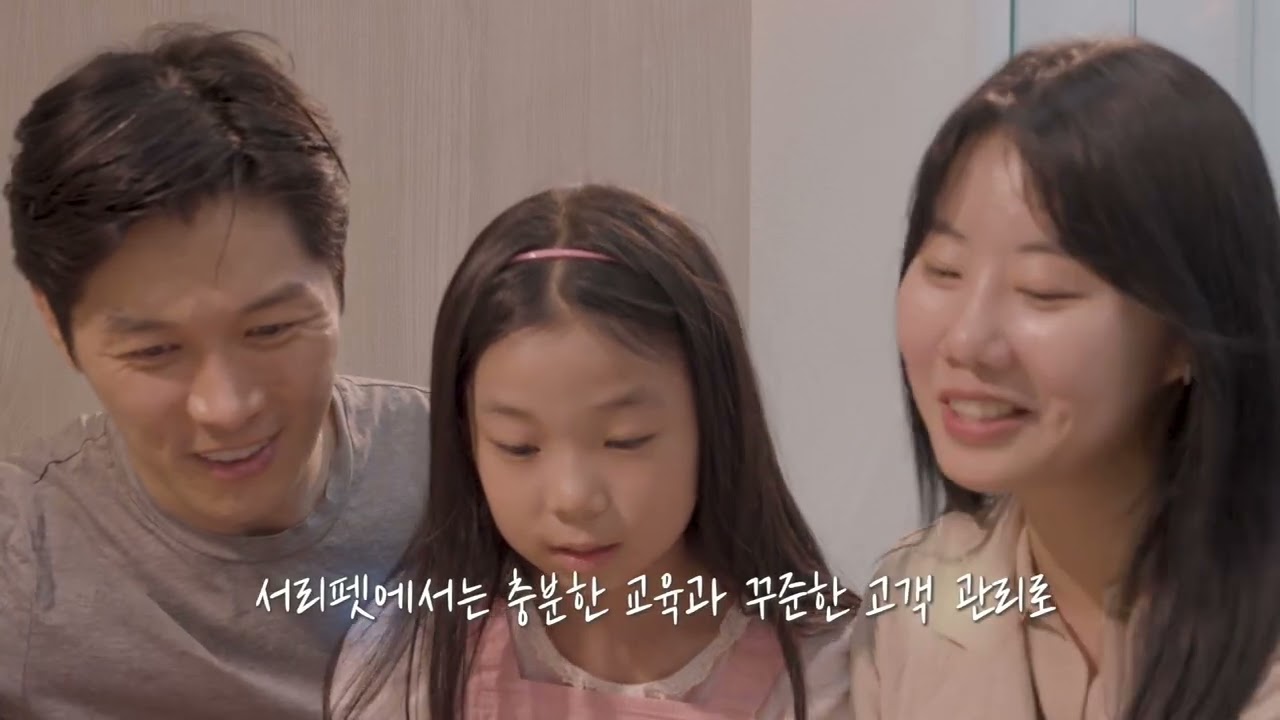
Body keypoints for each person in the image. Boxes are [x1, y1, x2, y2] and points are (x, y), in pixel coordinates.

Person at [0, 25, 428, 719]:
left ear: (338, 279)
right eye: (154, 352)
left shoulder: (479, 473)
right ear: (57, 325)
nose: (226, 407)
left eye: (270, 330)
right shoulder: (23, 556)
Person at [849, 37, 1280, 719]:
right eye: (945, 270)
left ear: (1186, 336)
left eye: (1044, 290)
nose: (967, 341)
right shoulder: (916, 599)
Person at [326, 184, 860, 719]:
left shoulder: (821, 673)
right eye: (519, 447)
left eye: (626, 440)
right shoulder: (415, 653)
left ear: (715, 420)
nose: (573, 498)